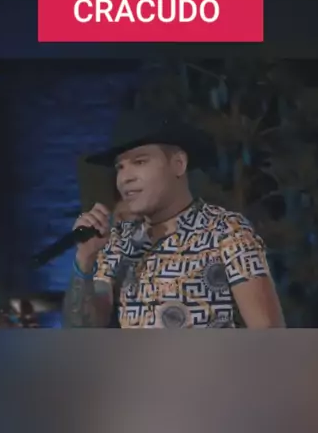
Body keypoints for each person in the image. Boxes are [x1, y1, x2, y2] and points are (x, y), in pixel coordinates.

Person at [62, 112, 285, 328]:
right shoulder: (119, 241)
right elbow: (83, 328)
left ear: (178, 164)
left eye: (139, 162)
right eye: (120, 167)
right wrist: (85, 259)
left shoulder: (226, 231)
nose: (125, 178)